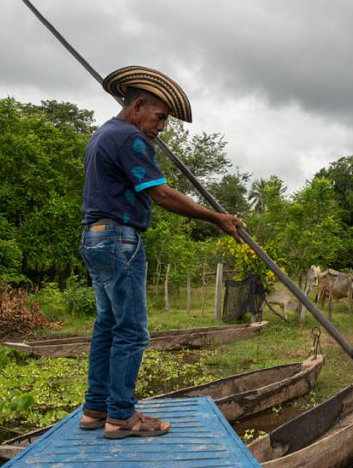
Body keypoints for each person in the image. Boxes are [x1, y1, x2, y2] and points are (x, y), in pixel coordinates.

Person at [78, 65, 243, 438]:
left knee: (108, 326)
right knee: (132, 331)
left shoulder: (102, 135)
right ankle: (121, 416)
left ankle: (96, 408)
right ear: (137, 105)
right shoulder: (129, 139)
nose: (162, 126)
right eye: (160, 117)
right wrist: (216, 217)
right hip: (120, 239)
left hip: (94, 237)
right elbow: (163, 194)